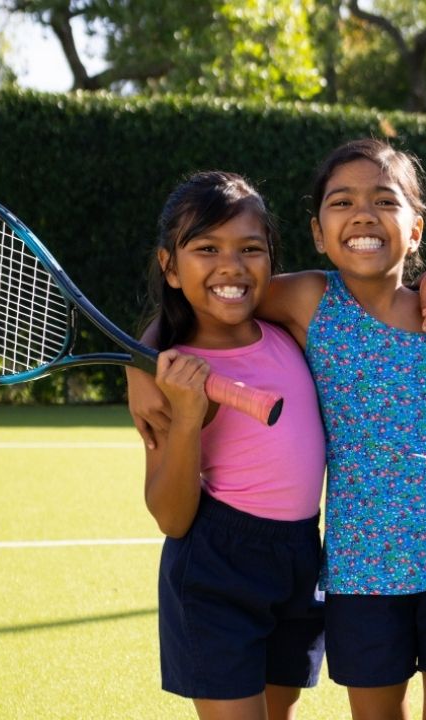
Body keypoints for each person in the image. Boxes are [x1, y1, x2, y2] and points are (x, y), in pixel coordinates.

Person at [130, 140, 426, 720]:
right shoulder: (310, 300)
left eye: (385, 200)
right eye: (342, 201)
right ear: (317, 232)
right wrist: (143, 357)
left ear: (416, 229)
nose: (363, 214)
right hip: (365, 570)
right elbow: (217, 290)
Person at [140, 170, 328, 720]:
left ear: (272, 259)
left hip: (301, 553)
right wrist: (187, 419)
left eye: (251, 248)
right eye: (206, 248)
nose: (231, 265)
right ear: (169, 267)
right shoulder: (167, 378)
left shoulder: (292, 325)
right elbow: (172, 518)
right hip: (217, 562)